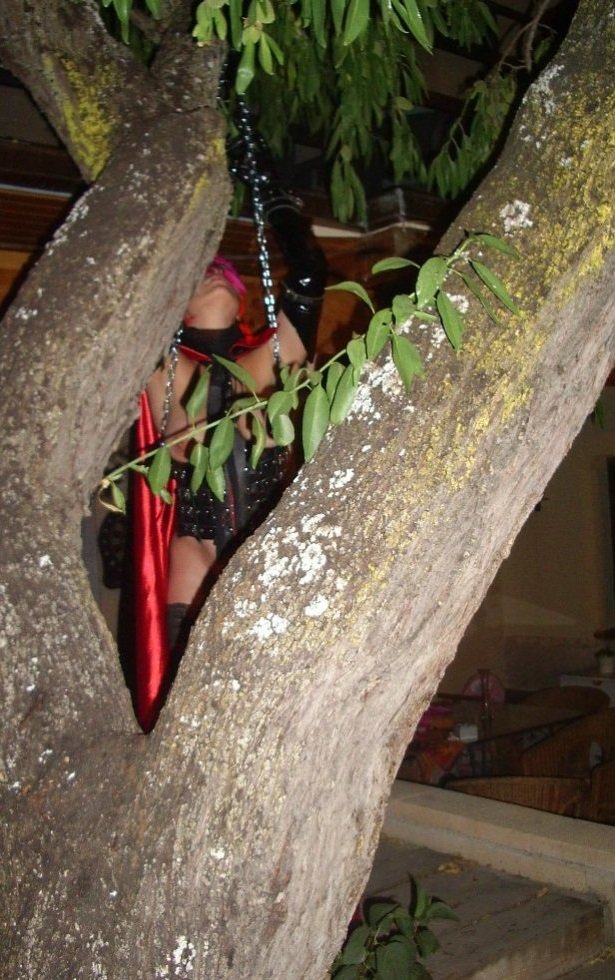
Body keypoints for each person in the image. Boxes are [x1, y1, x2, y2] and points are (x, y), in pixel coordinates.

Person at [132, 209, 326, 731]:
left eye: (224, 271)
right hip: (194, 552)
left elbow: (310, 276)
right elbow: (130, 301)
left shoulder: (269, 362)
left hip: (270, 556)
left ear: (243, 300)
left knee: (277, 705)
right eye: (199, 274)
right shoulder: (163, 370)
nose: (215, 274)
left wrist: (276, 202)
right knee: (191, 710)